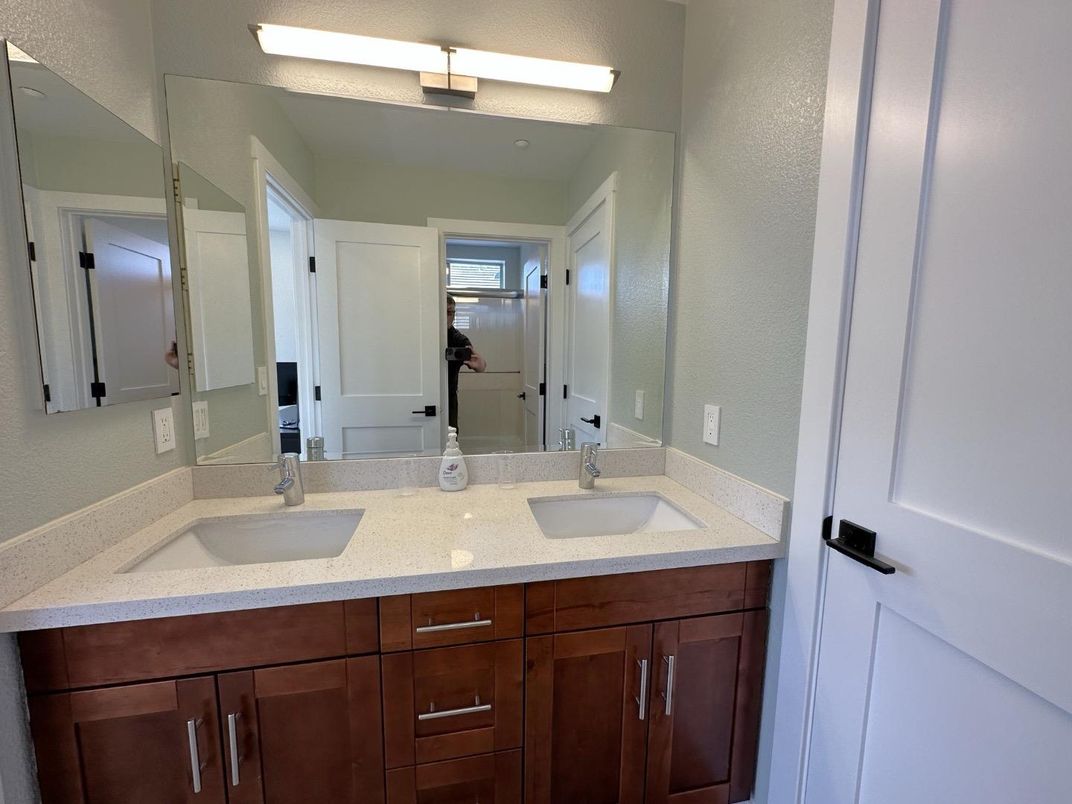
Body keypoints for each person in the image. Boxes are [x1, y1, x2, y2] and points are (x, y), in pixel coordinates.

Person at [446, 294, 486, 431]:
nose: (450, 316)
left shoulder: (458, 339)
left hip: (449, 398)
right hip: (427, 396)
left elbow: (481, 367)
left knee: (451, 439)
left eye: (452, 312)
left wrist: (479, 364)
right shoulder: (424, 334)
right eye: (446, 312)